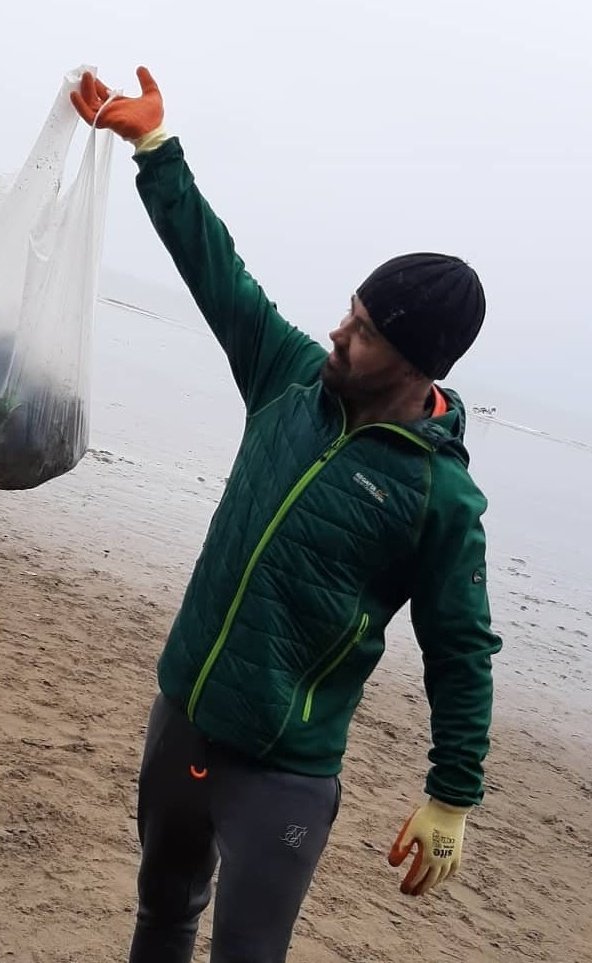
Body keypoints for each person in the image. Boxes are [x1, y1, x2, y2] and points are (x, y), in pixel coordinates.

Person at [72, 68, 502, 963]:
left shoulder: (440, 498)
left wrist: (451, 794)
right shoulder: (289, 376)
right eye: (351, 310)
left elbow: (462, 650)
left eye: (368, 331)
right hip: (183, 707)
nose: (341, 333)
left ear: (420, 365)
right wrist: (156, 151)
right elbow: (216, 271)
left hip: (283, 770)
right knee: (159, 915)